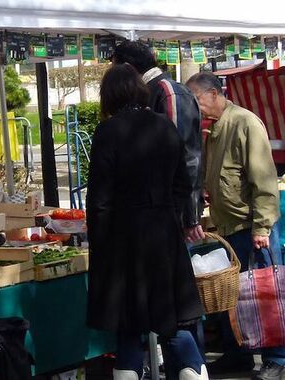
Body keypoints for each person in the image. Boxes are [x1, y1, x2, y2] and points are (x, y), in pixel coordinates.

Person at [86, 64, 207, 380]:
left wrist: (99, 244)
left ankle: (129, 372)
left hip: (124, 239)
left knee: (129, 323)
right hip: (164, 235)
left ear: (108, 96)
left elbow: (99, 200)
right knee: (173, 317)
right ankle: (193, 371)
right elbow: (184, 181)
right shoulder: (165, 127)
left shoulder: (108, 132)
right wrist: (169, 212)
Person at [187, 71, 285, 379]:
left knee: (265, 292)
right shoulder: (214, 130)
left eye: (196, 99)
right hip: (227, 227)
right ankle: (239, 354)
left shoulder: (245, 123)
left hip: (250, 226)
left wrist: (262, 228)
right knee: (235, 297)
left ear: (214, 94)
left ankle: (277, 357)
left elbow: (264, 182)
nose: (194, 106)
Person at [113, 41, 205, 242]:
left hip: (170, 215)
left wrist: (188, 216)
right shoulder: (146, 91)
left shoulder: (168, 92)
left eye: (114, 68)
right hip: (151, 214)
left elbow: (186, 157)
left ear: (128, 68)